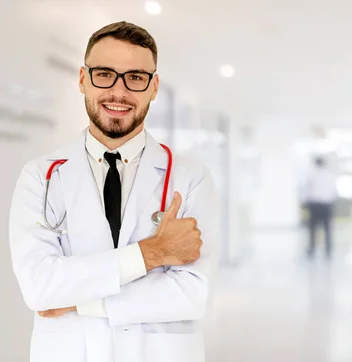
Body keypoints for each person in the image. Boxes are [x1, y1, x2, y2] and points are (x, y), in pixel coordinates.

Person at [8, 21, 219, 362]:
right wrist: (154, 253)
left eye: (135, 77)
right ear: (82, 79)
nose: (118, 92)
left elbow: (193, 293)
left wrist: (81, 300)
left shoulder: (191, 178)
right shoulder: (41, 177)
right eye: (104, 74)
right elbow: (39, 287)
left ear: (154, 87)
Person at [304, 156, 337, 259]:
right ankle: (328, 250)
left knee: (313, 229)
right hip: (326, 205)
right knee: (327, 229)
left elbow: (307, 190)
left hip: (314, 205)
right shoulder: (329, 176)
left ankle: (312, 249)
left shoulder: (311, 175)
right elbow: (333, 191)